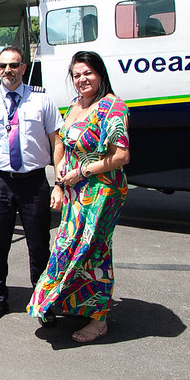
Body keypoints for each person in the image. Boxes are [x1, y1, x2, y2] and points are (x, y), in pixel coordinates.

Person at [27, 51, 130, 343]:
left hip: (102, 192)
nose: (82, 79)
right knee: (68, 246)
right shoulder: (76, 105)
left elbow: (121, 155)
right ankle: (70, 302)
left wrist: (81, 172)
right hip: (75, 190)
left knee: (93, 251)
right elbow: (63, 145)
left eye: (88, 73)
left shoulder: (113, 106)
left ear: (100, 74)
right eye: (76, 75)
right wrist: (60, 181)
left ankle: (98, 321)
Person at [0, 47, 64, 324]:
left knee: (39, 245)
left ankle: (42, 299)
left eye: (13, 65)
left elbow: (56, 142)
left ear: (23, 68)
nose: (7, 70)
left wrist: (58, 183)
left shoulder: (41, 98)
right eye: (2, 65)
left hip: (34, 181)